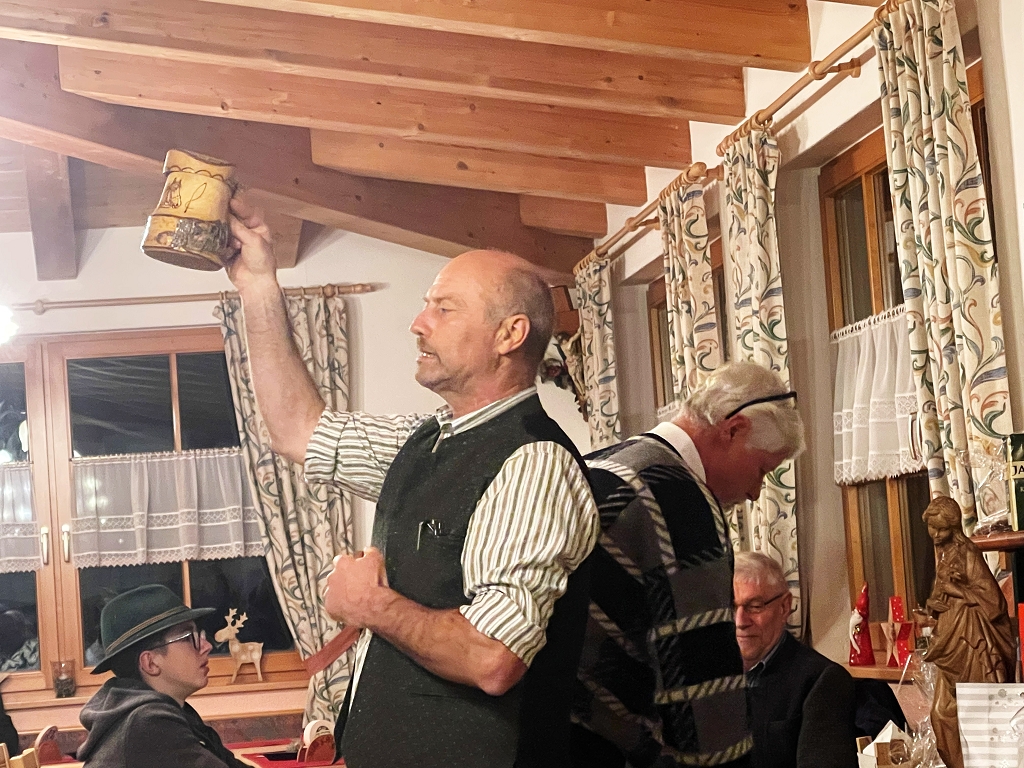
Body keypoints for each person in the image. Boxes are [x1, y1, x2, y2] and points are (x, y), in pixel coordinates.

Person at [226, 196, 599, 768]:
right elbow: (298, 430)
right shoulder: (424, 439)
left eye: (444, 309)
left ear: (510, 334)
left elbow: (493, 658)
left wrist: (369, 603)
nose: (418, 324)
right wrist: (257, 286)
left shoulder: (536, 462)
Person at [572, 362, 804, 767]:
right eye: (762, 470)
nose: (755, 492)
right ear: (733, 429)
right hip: (601, 748)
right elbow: (703, 693)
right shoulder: (679, 498)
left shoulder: (599, 462)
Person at [77, 584, 247, 768]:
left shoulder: (166, 712)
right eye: (188, 637)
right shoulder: (147, 724)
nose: (207, 646)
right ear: (150, 663)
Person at [734, 552, 858, 768]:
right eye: (731, 607)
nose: (740, 621)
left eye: (754, 606)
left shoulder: (822, 682)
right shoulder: (707, 678)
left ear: (784, 607)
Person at [922, 496, 1015, 768]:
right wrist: (935, 604)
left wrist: (958, 592)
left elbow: (994, 602)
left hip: (972, 643)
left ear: (954, 528)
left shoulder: (967, 553)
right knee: (941, 715)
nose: (936, 535)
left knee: (976, 715)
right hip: (950, 644)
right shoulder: (944, 554)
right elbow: (942, 596)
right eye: (932, 528)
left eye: (942, 529)